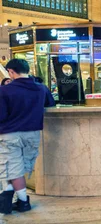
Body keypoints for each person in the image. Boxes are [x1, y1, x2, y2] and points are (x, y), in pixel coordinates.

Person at [0, 59, 55, 214]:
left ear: (10, 71)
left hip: (10, 134)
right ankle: (12, 195)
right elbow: (50, 104)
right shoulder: (40, 88)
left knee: (12, 169)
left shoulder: (4, 91)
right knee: (22, 167)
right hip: (33, 134)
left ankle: (22, 201)